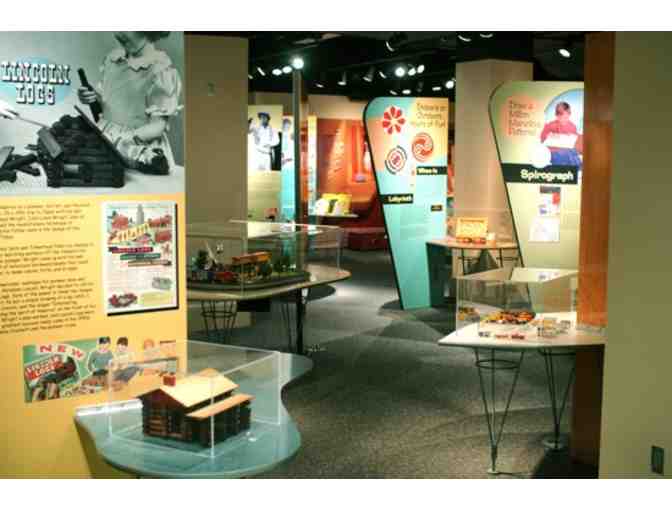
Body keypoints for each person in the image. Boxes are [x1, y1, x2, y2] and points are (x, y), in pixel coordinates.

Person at [77, 31, 182, 175]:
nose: (118, 33)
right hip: (107, 140)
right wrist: (91, 97)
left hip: (138, 148)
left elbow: (158, 126)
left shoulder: (160, 70)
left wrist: (126, 139)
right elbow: (110, 105)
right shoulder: (113, 60)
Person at [539, 101, 582, 168]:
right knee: (562, 156)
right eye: (562, 118)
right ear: (557, 116)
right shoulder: (551, 125)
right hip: (555, 151)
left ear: (569, 115)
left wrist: (573, 136)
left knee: (572, 153)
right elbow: (542, 138)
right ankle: (570, 167)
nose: (564, 120)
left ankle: (578, 167)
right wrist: (551, 136)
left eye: (566, 118)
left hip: (568, 149)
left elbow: (575, 138)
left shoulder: (572, 126)